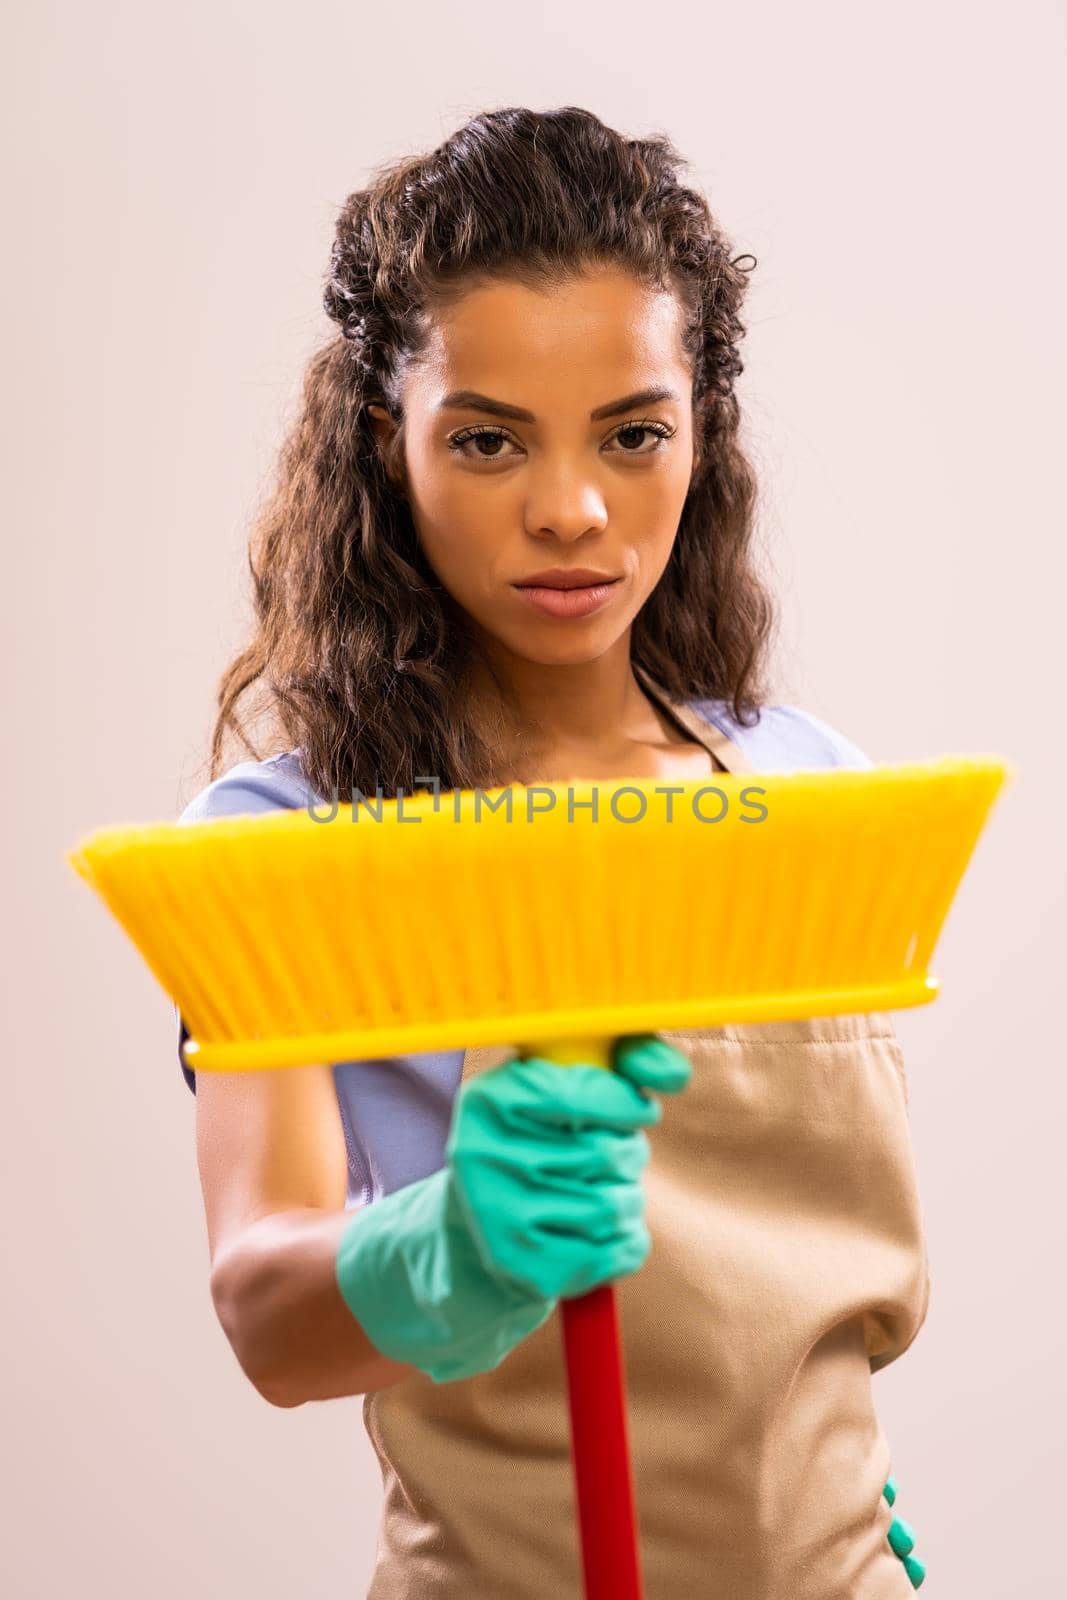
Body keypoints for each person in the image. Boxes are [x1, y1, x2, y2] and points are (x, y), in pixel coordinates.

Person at [177, 105, 928, 1596]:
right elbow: (265, 1310)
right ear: (387, 447)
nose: (574, 510)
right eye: (488, 439)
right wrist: (450, 1254)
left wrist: (827, 1494)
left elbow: (803, 1293)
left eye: (633, 433)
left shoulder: (812, 791)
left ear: (701, 430)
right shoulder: (292, 848)